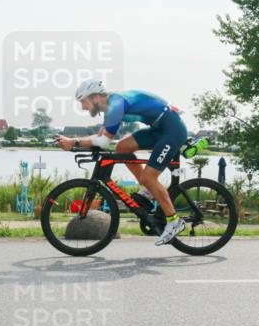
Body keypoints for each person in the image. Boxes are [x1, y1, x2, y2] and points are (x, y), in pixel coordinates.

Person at [57, 79, 188, 246]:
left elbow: (103, 141)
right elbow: (101, 136)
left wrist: (74, 142)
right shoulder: (110, 106)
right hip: (158, 128)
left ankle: (174, 220)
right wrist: (76, 144)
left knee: (149, 177)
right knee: (122, 148)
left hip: (172, 130)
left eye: (84, 102)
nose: (83, 107)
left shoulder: (115, 105)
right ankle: (148, 190)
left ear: (95, 97)